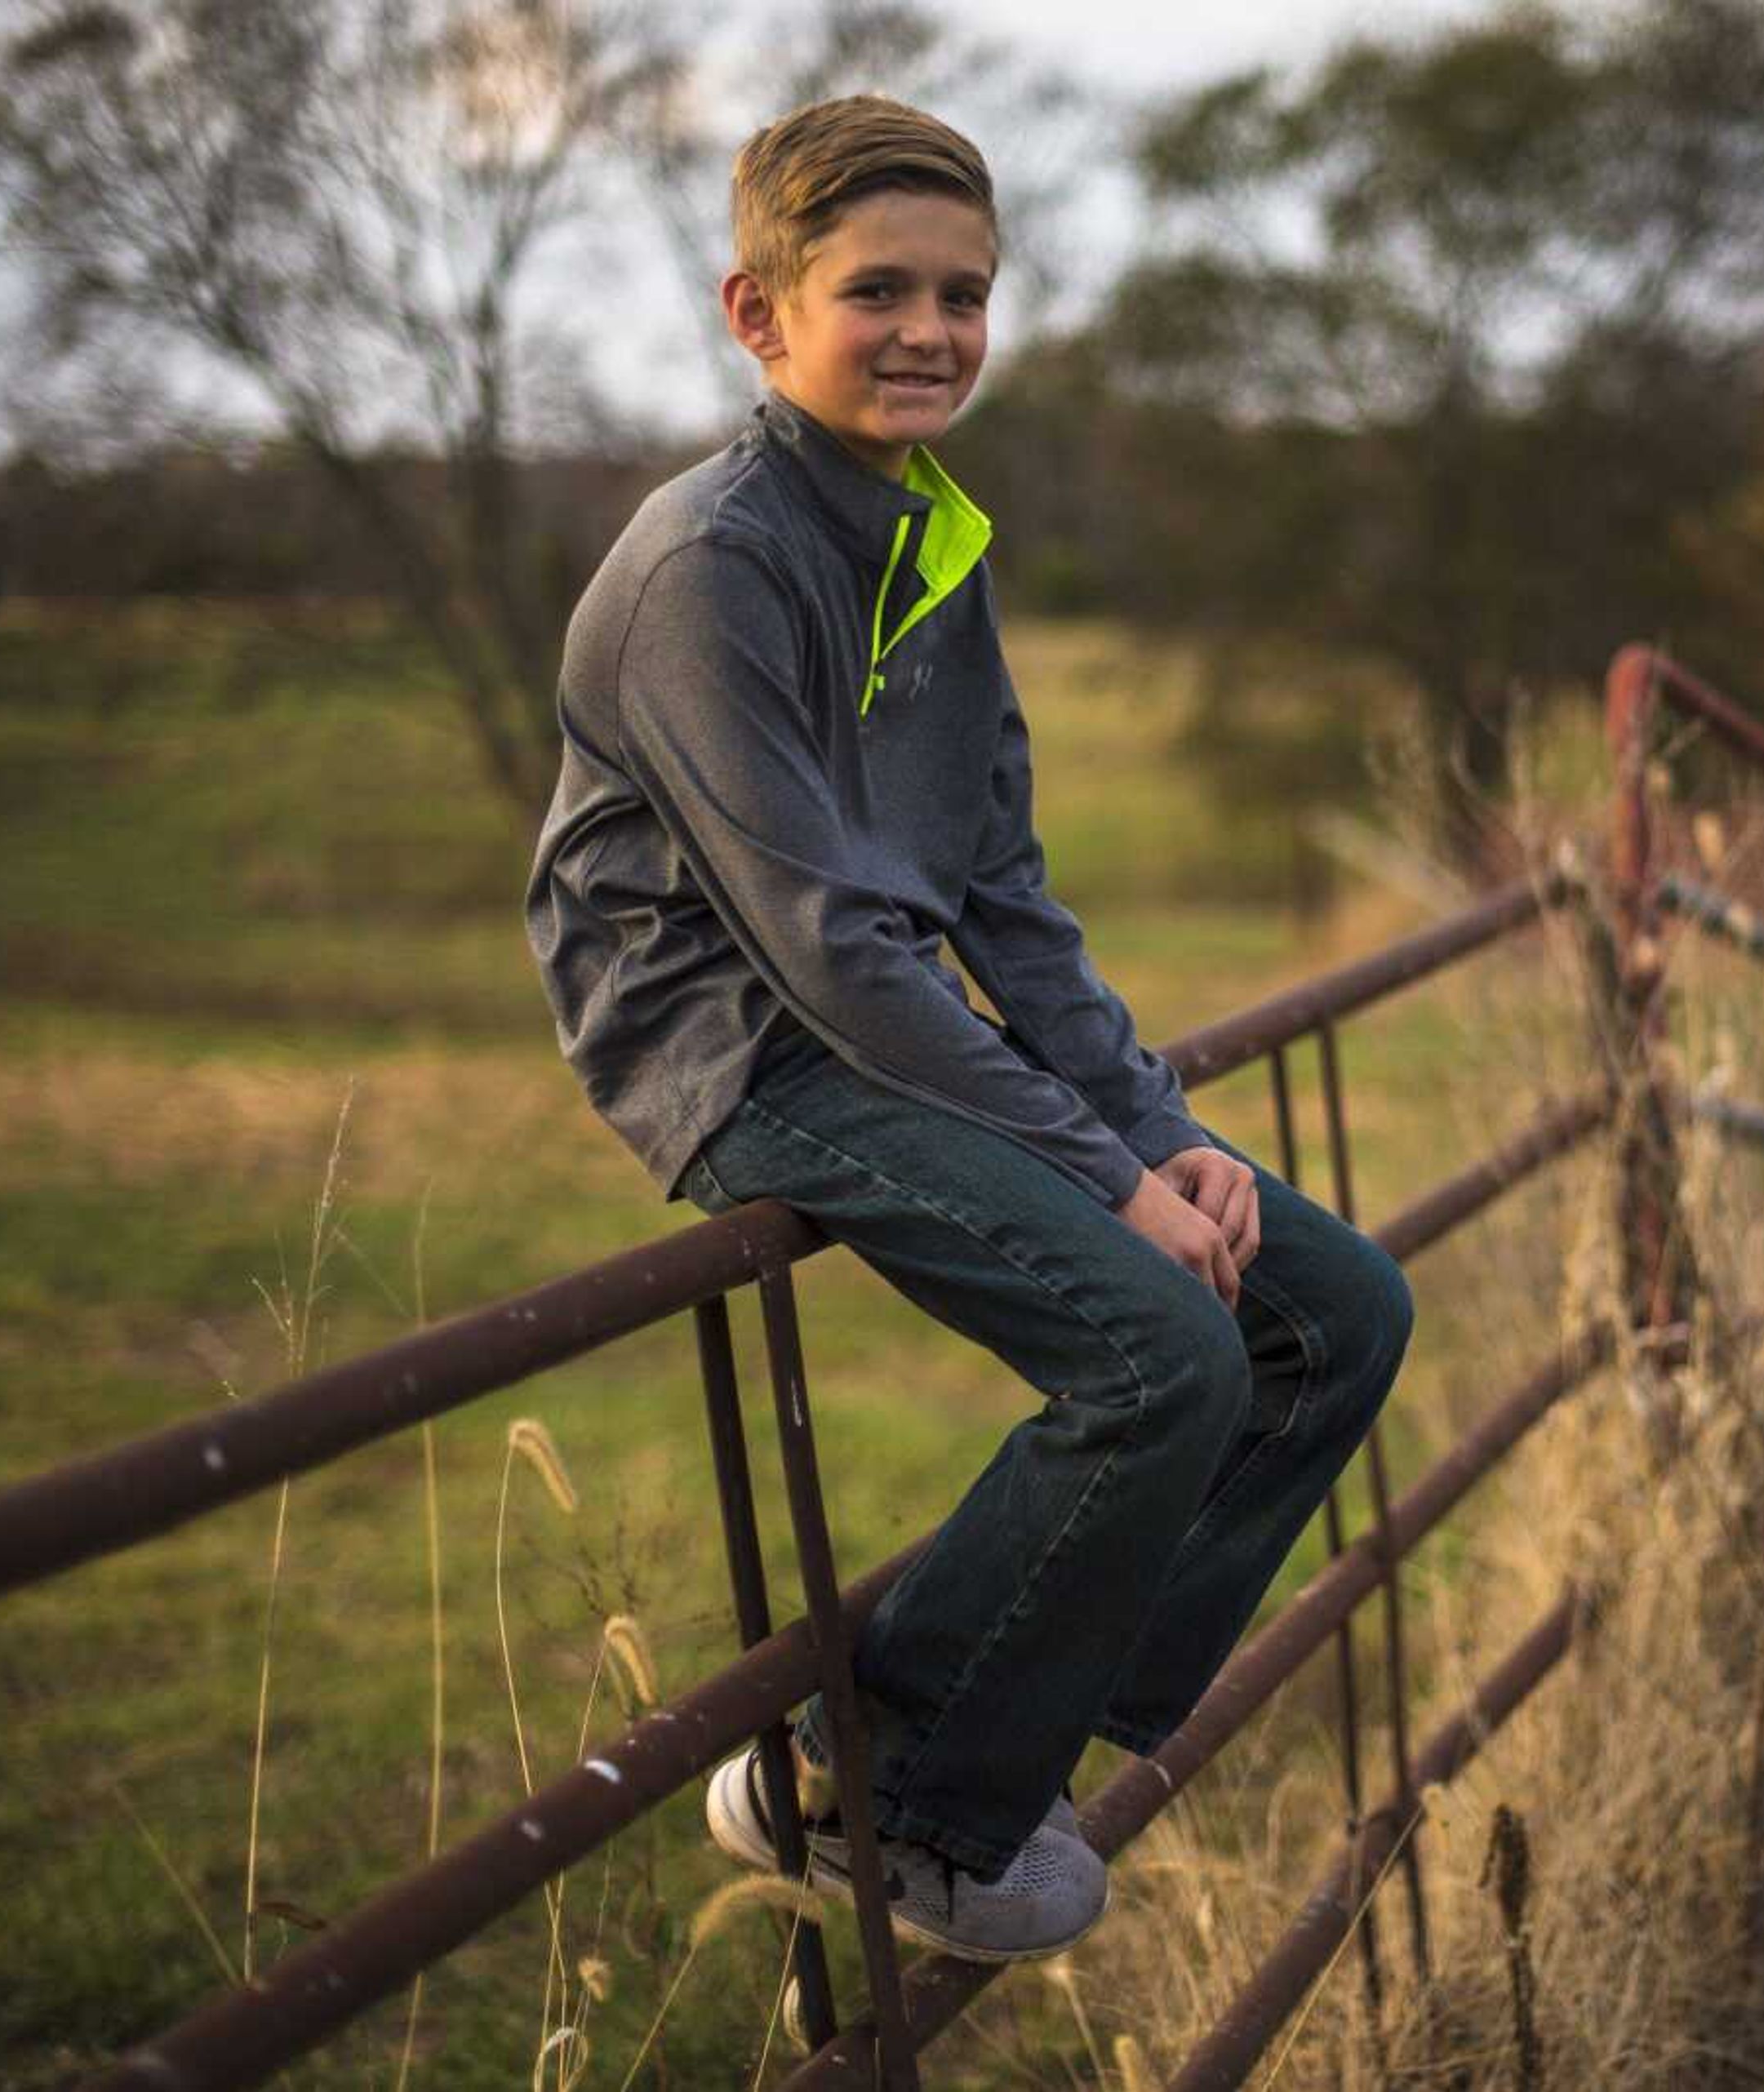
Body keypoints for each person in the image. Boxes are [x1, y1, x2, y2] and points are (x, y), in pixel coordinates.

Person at [522, 94, 1414, 1964]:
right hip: (739, 1050)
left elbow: (1000, 892)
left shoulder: (931, 536)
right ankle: (879, 1795)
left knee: (1335, 1311)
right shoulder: (711, 565)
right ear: (756, 313)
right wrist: (1106, 1180)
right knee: (1166, 1348)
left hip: (884, 1015)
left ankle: (1016, 1718)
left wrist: (1156, 1126)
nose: (932, 330)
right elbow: (828, 944)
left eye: (968, 295)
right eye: (879, 292)